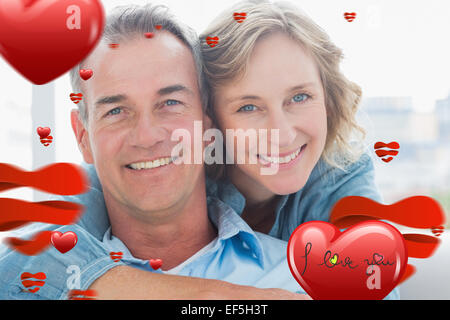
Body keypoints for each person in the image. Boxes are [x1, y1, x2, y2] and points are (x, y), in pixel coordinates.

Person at [0, 0, 399, 299]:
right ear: (82, 136)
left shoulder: (337, 176)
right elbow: (18, 261)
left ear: (205, 119)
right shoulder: (88, 202)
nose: (279, 133)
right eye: (117, 110)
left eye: (171, 102)